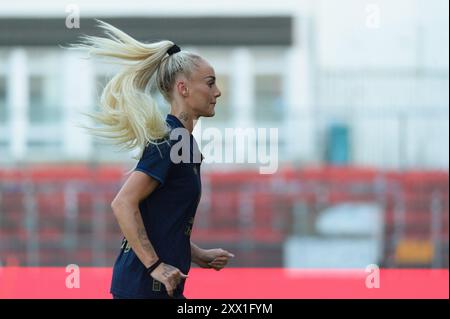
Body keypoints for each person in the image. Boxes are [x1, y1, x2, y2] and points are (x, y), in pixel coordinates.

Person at [72, 20, 234, 299]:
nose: (217, 92)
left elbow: (162, 222)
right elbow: (123, 203)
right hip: (144, 288)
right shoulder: (169, 139)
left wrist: (197, 254)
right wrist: (155, 265)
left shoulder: (184, 143)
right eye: (210, 83)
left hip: (157, 288)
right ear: (183, 89)